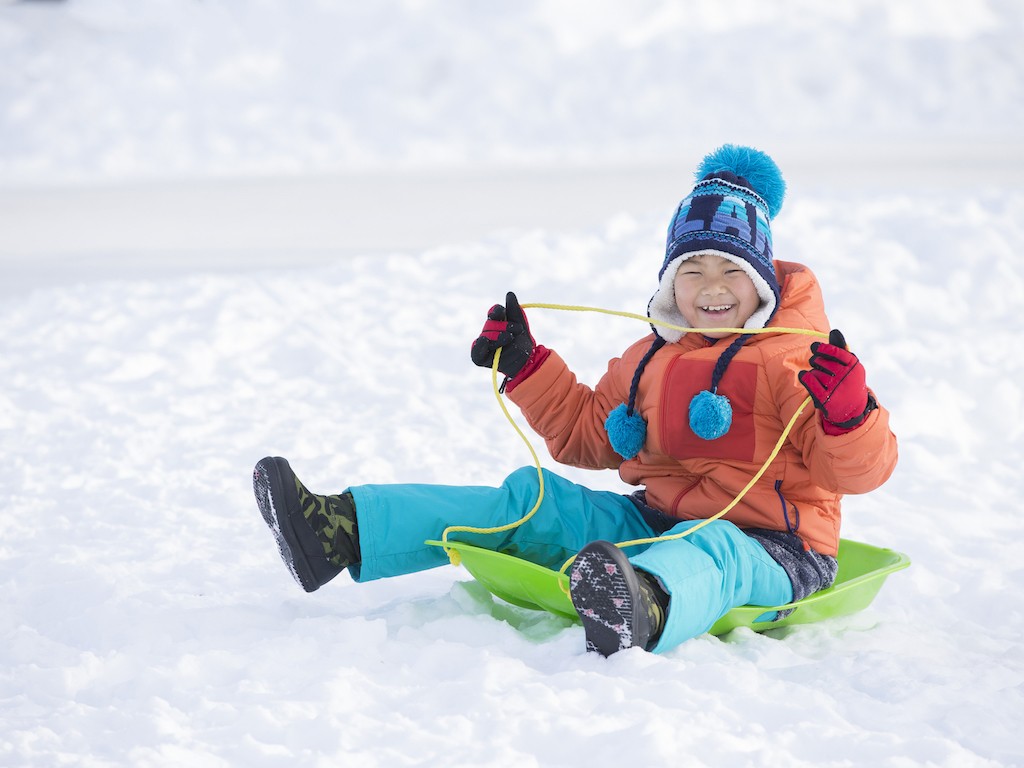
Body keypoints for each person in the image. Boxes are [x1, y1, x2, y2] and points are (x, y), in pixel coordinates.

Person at [253, 144, 898, 657]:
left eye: (732, 271)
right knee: (532, 498)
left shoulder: (797, 362)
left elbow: (856, 471)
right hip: (657, 522)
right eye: (693, 270)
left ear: (760, 282)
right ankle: (338, 529)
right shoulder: (652, 359)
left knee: (715, 553)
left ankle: (639, 603)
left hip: (777, 548)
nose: (712, 288)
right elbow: (587, 433)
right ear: (672, 283)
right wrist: (527, 366)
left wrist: (849, 415)